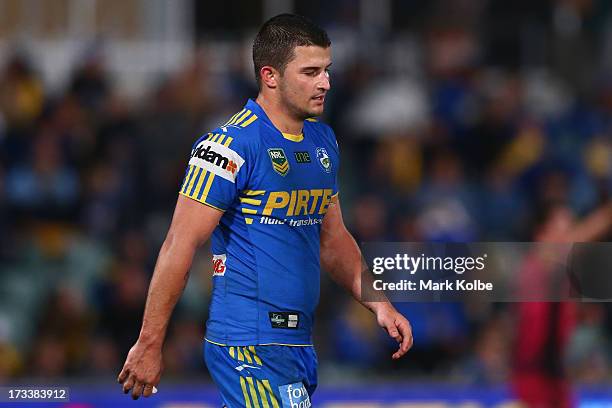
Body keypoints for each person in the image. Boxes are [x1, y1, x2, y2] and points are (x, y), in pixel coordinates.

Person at [117, 13, 413, 407]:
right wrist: (150, 344)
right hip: (246, 344)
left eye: (326, 70)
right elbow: (178, 245)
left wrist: (380, 303)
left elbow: (334, 239)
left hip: (296, 345)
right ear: (270, 76)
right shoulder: (227, 147)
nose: (325, 82)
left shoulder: (324, 142)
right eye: (310, 72)